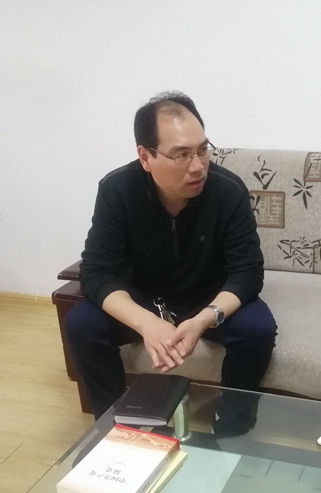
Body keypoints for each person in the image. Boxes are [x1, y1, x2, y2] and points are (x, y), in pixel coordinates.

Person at [65, 91, 277, 419]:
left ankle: (233, 426)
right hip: (143, 299)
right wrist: (146, 323)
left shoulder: (228, 191)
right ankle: (114, 424)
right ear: (145, 157)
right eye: (181, 155)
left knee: (257, 329)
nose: (198, 167)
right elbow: (96, 272)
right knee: (81, 323)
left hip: (208, 298)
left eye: (203, 150)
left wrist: (204, 319)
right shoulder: (116, 190)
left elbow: (248, 273)